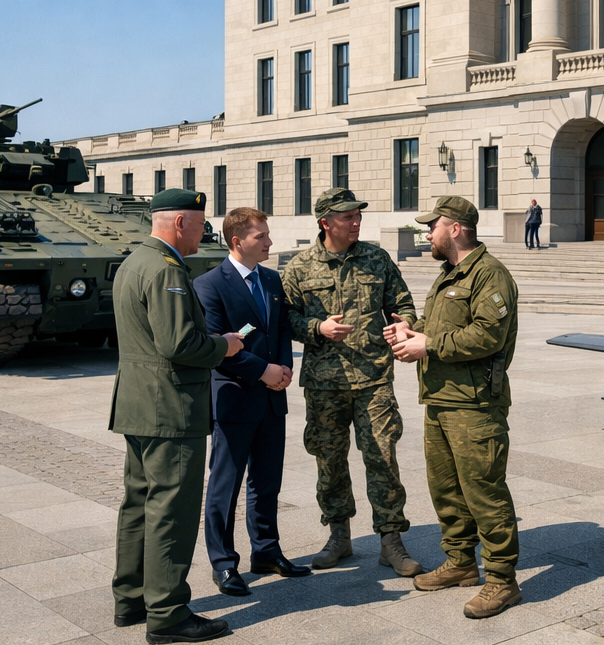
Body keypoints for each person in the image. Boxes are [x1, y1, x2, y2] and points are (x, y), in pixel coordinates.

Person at [110, 188, 245, 645]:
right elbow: (180, 345)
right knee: (171, 509)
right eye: (201, 225)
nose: (203, 234)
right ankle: (167, 612)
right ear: (181, 223)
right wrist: (224, 346)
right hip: (169, 408)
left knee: (138, 506)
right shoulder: (166, 270)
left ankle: (131, 599)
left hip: (137, 405)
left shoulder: (134, 261)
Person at [384, 197, 521, 619]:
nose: (428, 234)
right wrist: (414, 329)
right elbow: (445, 327)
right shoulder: (450, 274)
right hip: (442, 400)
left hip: (475, 405)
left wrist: (429, 345)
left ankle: (501, 579)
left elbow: (486, 336)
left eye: (433, 227)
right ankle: (461, 563)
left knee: (484, 491)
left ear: (455, 229)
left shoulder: (490, 275)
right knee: (446, 489)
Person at [281, 187, 424, 578]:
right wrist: (316, 327)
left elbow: (403, 302)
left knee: (382, 456)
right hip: (324, 383)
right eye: (347, 216)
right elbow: (285, 320)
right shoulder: (299, 267)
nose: (356, 221)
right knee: (329, 460)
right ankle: (339, 535)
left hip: (374, 377)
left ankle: (391, 541)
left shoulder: (377, 259)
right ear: (326, 222)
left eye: (358, 215)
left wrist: (405, 323)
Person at [194, 207, 309, 598]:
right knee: (226, 484)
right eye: (261, 236)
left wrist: (283, 369)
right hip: (235, 398)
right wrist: (263, 371)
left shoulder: (272, 280)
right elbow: (216, 343)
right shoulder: (209, 285)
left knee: (267, 482)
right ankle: (224, 563)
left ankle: (266, 551)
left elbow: (279, 330)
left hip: (271, 398)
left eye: (267, 234)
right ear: (237, 241)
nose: (270, 242)